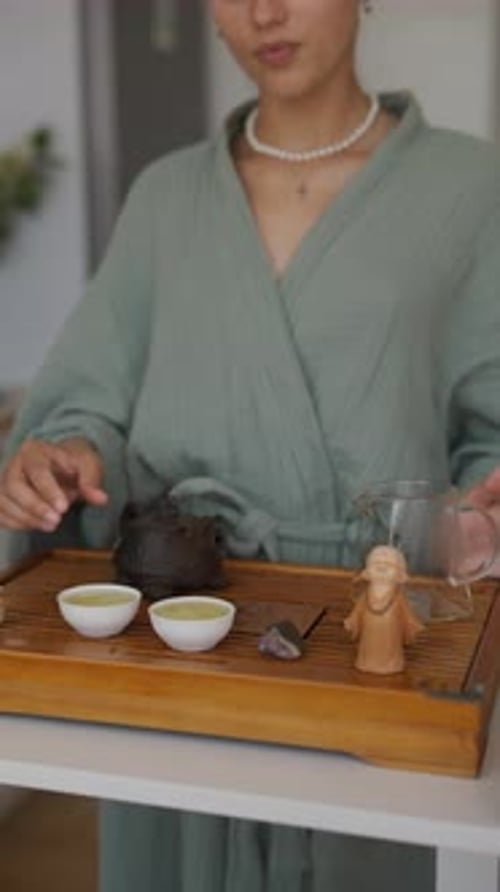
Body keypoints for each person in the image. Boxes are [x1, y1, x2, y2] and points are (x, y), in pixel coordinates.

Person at [1, 0, 499, 889]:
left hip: (372, 652)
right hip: (177, 637)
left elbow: (488, 434)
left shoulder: (471, 188)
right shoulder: (165, 195)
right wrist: (61, 453)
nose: (264, 11)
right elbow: (88, 401)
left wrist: (471, 519)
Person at [344, 545, 423, 674]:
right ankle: (366, 661)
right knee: (368, 648)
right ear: (367, 572)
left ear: (400, 575)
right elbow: (358, 612)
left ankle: (391, 664)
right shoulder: (366, 596)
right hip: (369, 636)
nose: (382, 568)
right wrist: (351, 622)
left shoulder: (398, 599)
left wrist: (412, 626)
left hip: (390, 636)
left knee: (389, 648)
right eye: (376, 563)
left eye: (389, 565)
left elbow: (407, 617)